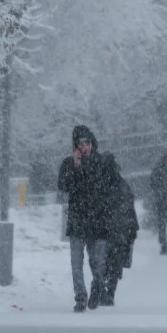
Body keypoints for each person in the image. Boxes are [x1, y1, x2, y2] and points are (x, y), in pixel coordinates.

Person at [57, 124, 121, 312]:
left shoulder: (103, 163)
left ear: (92, 143)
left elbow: (107, 189)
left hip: (98, 221)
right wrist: (76, 168)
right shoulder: (69, 164)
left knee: (97, 262)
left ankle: (97, 285)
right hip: (77, 221)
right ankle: (80, 296)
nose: (84, 147)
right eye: (80, 144)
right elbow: (64, 186)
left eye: (87, 143)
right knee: (76, 262)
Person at [101, 154, 139, 307]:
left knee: (101, 263)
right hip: (120, 231)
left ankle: (102, 290)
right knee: (115, 265)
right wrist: (132, 229)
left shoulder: (98, 183)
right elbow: (129, 209)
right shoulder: (122, 185)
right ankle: (110, 292)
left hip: (103, 231)